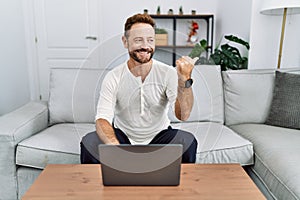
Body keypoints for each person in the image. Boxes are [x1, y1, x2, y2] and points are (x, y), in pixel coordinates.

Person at [80, 13, 198, 164]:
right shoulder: (113, 76)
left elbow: (184, 115)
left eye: (150, 40)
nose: (145, 46)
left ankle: (181, 188)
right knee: (89, 142)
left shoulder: (167, 72)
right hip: (123, 137)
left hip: (159, 136)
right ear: (125, 41)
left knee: (187, 141)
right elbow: (102, 119)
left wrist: (184, 81)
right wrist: (115, 148)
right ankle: (97, 187)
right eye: (138, 40)